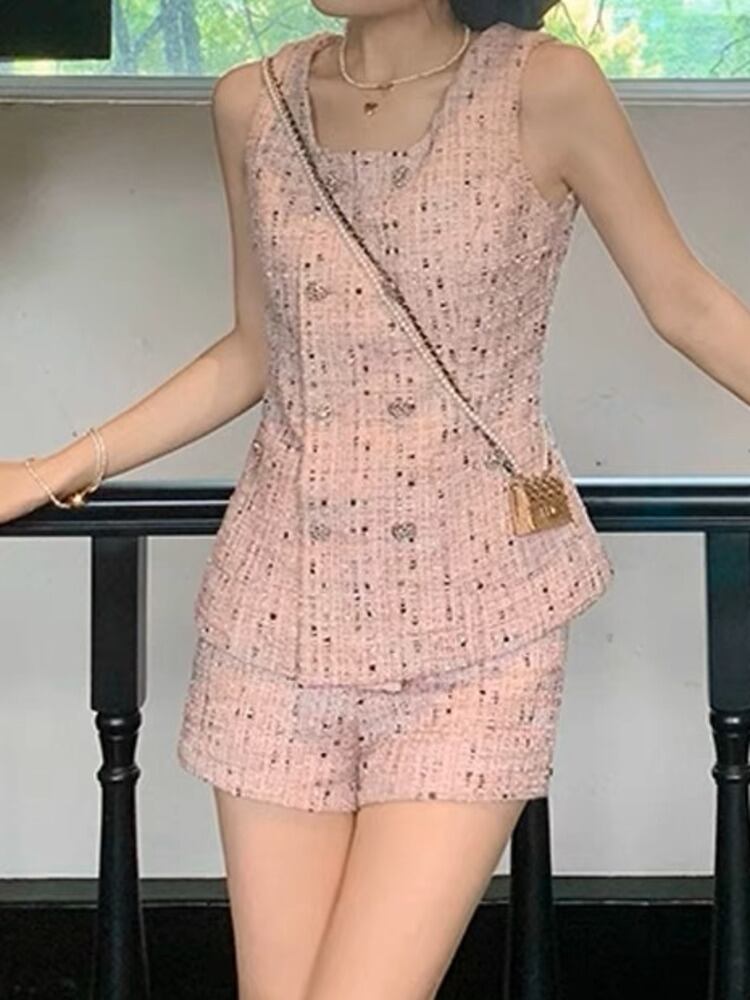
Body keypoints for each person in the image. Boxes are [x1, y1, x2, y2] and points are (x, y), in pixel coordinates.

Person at [3, 1, 750, 997]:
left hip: (479, 624)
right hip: (273, 624)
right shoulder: (252, 103)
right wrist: (54, 467)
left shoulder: (544, 87)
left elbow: (686, 302)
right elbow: (254, 352)